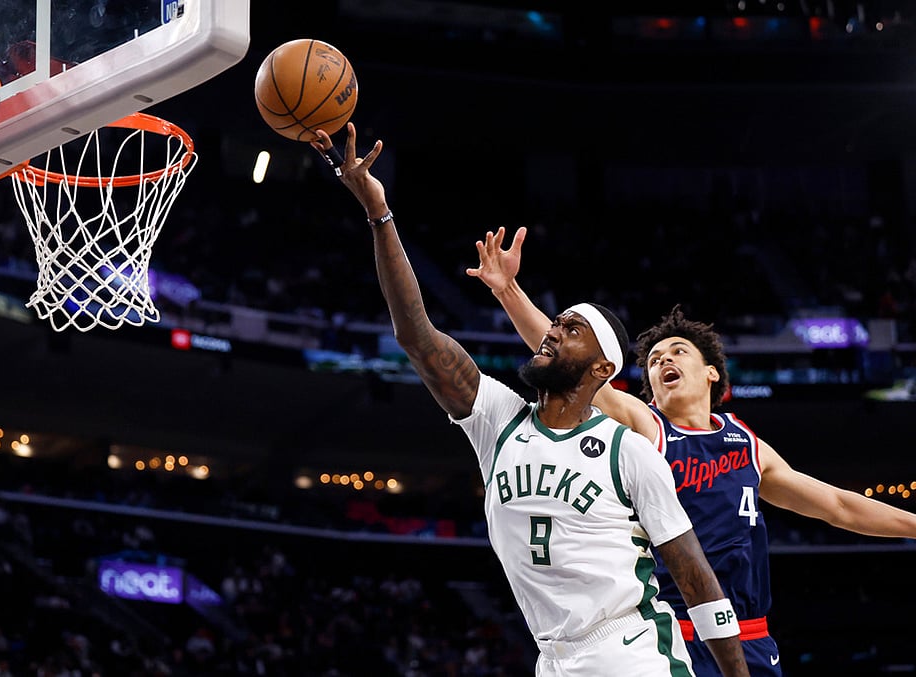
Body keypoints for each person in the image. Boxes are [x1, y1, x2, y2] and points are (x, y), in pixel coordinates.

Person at [312, 123, 750, 676]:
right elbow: (417, 336)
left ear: (602, 369)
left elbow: (696, 579)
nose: (552, 332)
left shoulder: (629, 452)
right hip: (553, 660)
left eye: (571, 329)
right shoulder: (498, 420)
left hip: (632, 652)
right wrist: (379, 213)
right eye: (556, 323)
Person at [466, 225, 916, 676]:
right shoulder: (645, 426)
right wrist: (508, 291)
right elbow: (566, 356)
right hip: (673, 632)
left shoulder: (746, 443)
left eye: (677, 352)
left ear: (711, 373)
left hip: (750, 634)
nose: (664, 360)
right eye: (654, 360)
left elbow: (838, 505)